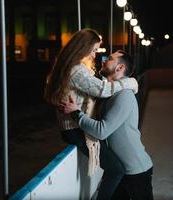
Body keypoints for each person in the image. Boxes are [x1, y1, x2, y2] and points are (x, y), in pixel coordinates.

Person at [43, 28, 138, 200]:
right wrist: (130, 82)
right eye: (94, 50)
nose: (95, 55)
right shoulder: (76, 70)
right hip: (74, 128)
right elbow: (103, 89)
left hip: (73, 126)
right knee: (116, 169)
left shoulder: (71, 67)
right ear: (83, 48)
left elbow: (94, 85)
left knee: (114, 165)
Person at [60, 50, 154, 200]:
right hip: (121, 169)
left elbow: (101, 130)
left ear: (120, 68)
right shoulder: (109, 93)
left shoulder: (124, 96)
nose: (103, 60)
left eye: (109, 59)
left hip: (136, 170)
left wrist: (76, 114)